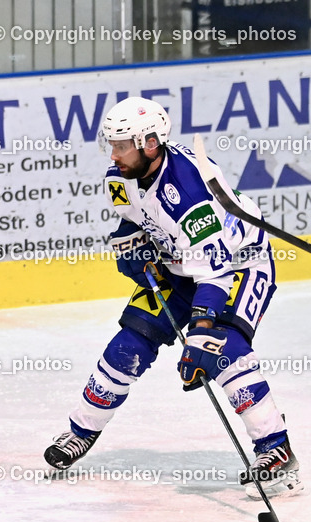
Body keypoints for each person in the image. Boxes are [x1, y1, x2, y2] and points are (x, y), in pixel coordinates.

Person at [44, 96, 301, 499]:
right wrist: (129, 245)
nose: (113, 154)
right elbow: (132, 222)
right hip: (180, 265)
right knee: (128, 345)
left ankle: (276, 450)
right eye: (111, 143)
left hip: (237, 267)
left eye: (121, 144)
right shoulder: (121, 175)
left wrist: (200, 333)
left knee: (223, 350)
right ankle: (81, 431)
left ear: (149, 143)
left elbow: (214, 273)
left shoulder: (190, 194)